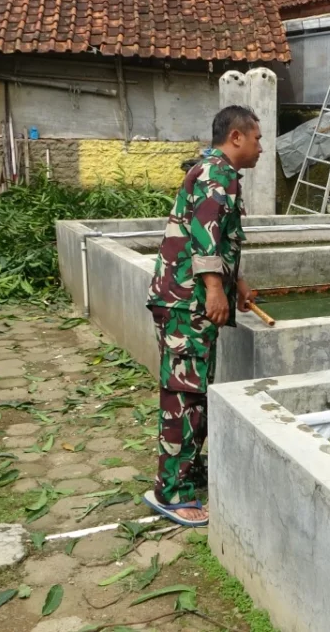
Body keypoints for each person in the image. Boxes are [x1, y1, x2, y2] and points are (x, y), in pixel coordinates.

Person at [143, 105, 262, 526]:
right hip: (185, 303)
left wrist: (236, 282)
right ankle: (170, 493)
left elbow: (219, 239)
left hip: (185, 300)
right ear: (236, 137)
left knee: (194, 389)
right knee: (184, 394)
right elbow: (202, 237)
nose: (261, 147)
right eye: (257, 138)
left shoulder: (216, 171)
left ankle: (186, 473)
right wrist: (214, 288)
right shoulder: (217, 174)